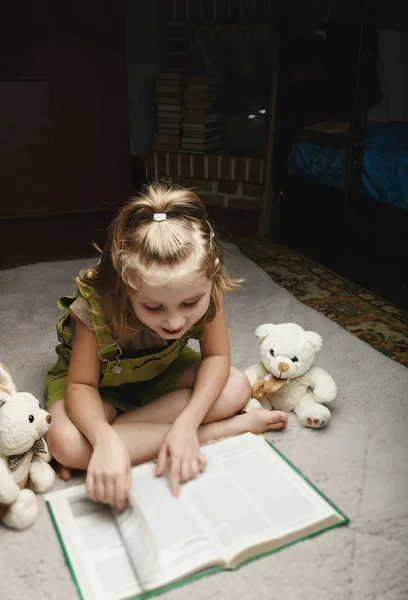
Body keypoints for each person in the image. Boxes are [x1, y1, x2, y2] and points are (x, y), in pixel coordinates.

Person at [46, 184, 288, 510]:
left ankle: (130, 437)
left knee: (235, 386)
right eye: (154, 308)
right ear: (124, 284)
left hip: (161, 373)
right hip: (96, 387)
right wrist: (103, 440)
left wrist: (188, 422)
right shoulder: (98, 302)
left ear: (212, 272)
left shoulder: (205, 284)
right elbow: (80, 384)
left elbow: (216, 357)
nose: (175, 321)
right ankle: (226, 429)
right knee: (65, 442)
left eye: (190, 303)